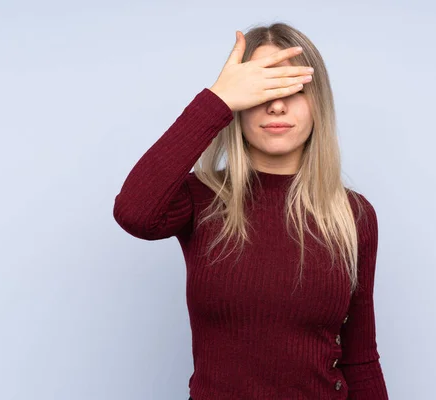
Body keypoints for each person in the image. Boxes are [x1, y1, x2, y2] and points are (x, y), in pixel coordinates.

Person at [113, 22, 389, 399]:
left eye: (293, 89)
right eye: (261, 90)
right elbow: (134, 213)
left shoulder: (353, 215)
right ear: (238, 106)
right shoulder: (202, 198)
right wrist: (215, 101)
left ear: (317, 104)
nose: (276, 104)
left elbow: (360, 359)